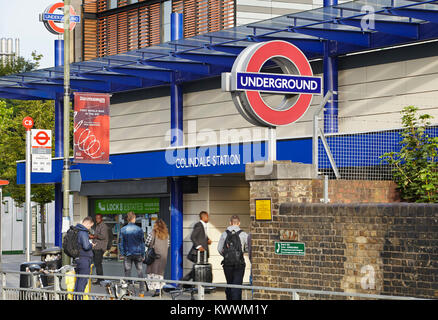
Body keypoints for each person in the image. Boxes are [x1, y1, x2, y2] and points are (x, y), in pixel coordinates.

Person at [217, 215, 248, 300]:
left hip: (227, 264)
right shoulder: (244, 234)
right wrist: (241, 252)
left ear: (230, 223)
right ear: (239, 223)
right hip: (239, 264)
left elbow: (219, 249)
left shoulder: (224, 234)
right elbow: (248, 248)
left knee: (229, 284)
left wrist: (227, 256)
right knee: (237, 286)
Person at [119, 211, 146, 297]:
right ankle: (141, 292)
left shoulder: (123, 229)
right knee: (140, 273)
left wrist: (123, 253)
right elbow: (142, 243)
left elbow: (120, 243)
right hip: (138, 254)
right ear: (134, 218)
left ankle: (126, 291)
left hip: (128, 254)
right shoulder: (139, 229)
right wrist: (143, 254)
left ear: (127, 219)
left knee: (127, 273)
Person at [182, 211, 212, 281]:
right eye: (208, 217)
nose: (208, 218)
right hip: (199, 253)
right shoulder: (199, 225)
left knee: (197, 270)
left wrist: (207, 240)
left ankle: (186, 283)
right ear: (204, 217)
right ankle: (184, 282)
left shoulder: (203, 226)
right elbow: (193, 237)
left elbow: (201, 237)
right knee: (197, 269)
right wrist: (199, 246)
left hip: (203, 253)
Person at [145, 219, 169, 297]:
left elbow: (147, 243)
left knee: (154, 273)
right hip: (163, 257)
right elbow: (168, 245)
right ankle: (160, 289)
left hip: (154, 256)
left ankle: (157, 291)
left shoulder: (152, 233)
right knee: (160, 273)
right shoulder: (166, 235)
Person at [74, 216, 96, 298]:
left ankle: (76, 298)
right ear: (87, 223)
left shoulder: (77, 230)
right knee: (82, 282)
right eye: (90, 226)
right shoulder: (83, 232)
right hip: (84, 259)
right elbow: (86, 246)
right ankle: (79, 298)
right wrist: (91, 245)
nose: (90, 228)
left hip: (78, 259)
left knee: (78, 281)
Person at [89, 214, 109, 285]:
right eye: (96, 218)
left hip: (100, 248)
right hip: (96, 247)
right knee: (97, 264)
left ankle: (100, 280)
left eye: (98, 218)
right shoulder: (98, 225)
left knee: (98, 264)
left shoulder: (103, 226)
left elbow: (103, 236)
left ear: (101, 219)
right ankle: (100, 279)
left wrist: (94, 236)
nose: (97, 219)